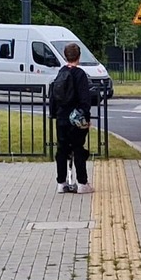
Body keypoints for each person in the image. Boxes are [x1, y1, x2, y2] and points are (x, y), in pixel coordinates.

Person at [48, 42, 95, 193]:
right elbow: (85, 100)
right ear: (79, 56)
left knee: (62, 150)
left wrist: (55, 114)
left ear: (65, 56)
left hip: (61, 118)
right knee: (78, 149)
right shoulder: (80, 74)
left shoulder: (61, 72)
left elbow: (53, 97)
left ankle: (61, 183)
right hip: (75, 119)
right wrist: (86, 119)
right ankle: (82, 183)